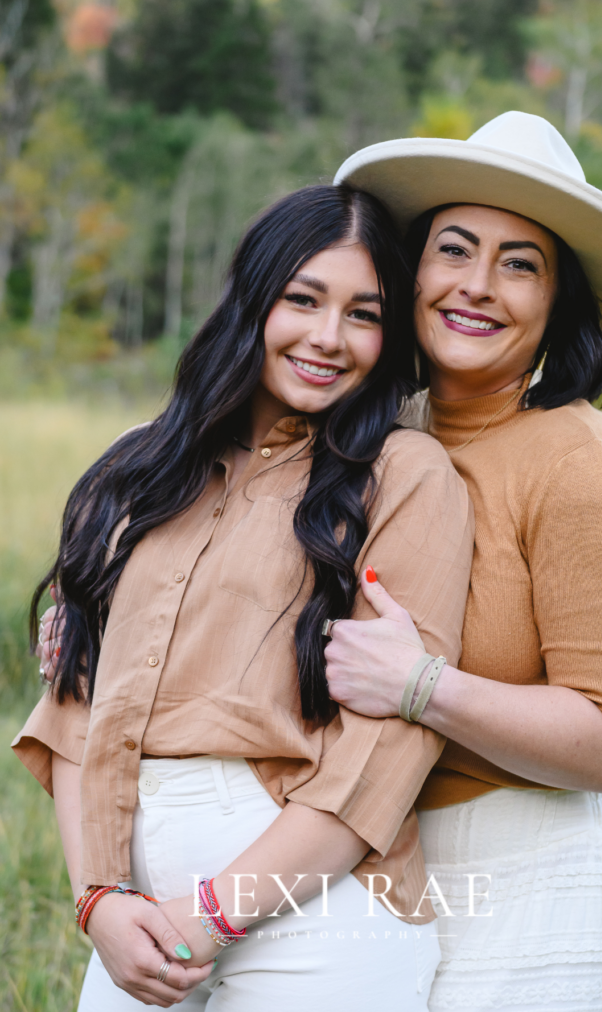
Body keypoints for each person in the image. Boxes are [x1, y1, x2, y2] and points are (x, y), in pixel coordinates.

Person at [12, 184, 475, 1010]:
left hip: (319, 916)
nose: (328, 338)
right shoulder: (134, 470)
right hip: (134, 919)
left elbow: (381, 758)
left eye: (363, 314)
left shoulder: (404, 477)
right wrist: (97, 901)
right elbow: (76, 708)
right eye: (303, 299)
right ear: (253, 299)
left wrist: (215, 913)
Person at [324, 112, 602, 1011]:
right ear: (408, 274)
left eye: (520, 263)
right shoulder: (370, 439)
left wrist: (420, 685)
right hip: (379, 865)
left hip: (539, 873)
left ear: (557, 304)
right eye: (454, 249)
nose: (477, 286)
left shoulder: (578, 460)